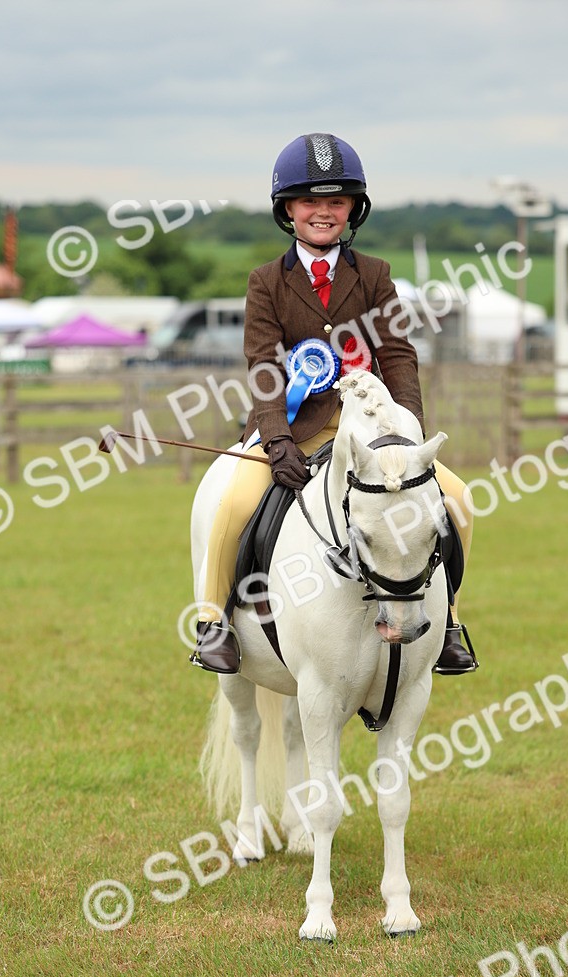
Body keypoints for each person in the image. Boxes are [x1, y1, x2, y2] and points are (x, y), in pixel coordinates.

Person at [190, 132, 476, 675]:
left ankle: (449, 625)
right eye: (310, 201)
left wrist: (405, 432)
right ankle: (214, 623)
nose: (323, 212)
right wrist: (275, 441)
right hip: (294, 429)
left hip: (371, 430)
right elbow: (263, 365)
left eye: (336, 201)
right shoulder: (266, 283)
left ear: (352, 211)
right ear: (288, 210)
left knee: (456, 499)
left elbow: (396, 355)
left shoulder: (374, 276)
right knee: (232, 503)